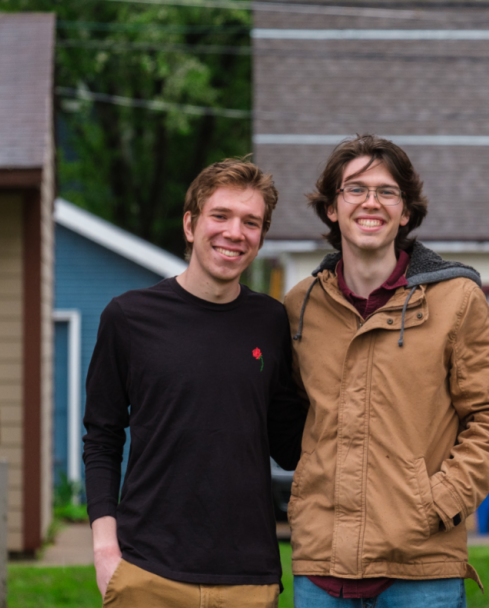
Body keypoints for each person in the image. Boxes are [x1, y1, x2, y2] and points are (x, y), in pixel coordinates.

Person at [284, 135, 489, 607]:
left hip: (421, 570)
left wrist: (439, 503)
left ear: (406, 212)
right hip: (320, 567)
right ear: (332, 208)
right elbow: (288, 418)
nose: (370, 202)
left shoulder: (456, 300)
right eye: (354, 189)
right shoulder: (300, 306)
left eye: (386, 191)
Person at [83, 158, 306, 608]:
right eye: (220, 216)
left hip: (249, 578)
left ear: (260, 238)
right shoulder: (128, 318)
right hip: (148, 572)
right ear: (190, 224)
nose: (234, 232)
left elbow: (291, 443)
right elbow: (102, 439)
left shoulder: (271, 322)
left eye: (251, 222)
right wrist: (106, 549)